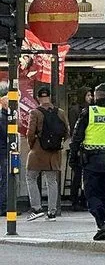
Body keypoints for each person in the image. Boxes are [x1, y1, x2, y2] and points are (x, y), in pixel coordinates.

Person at [69, 83, 105, 241]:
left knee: (92, 195)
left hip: (92, 162)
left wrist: (73, 157)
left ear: (96, 97)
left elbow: (77, 137)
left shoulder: (89, 112)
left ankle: (103, 224)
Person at [25, 87, 69, 222]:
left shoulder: (35, 112)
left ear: (38, 98)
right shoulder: (60, 112)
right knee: (52, 181)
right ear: (50, 97)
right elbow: (67, 131)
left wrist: (32, 145)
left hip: (38, 150)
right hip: (54, 152)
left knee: (31, 177)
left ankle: (37, 208)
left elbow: (30, 133)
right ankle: (52, 212)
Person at [68, 87, 93, 211]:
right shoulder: (75, 110)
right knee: (77, 176)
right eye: (88, 95)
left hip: (88, 145)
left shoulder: (91, 110)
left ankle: (84, 199)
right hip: (79, 146)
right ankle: (75, 200)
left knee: (86, 176)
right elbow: (74, 129)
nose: (90, 98)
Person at [0, 96, 8, 216]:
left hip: (3, 151)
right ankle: (4, 206)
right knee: (5, 179)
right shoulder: (4, 118)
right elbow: (8, 134)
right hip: (3, 152)